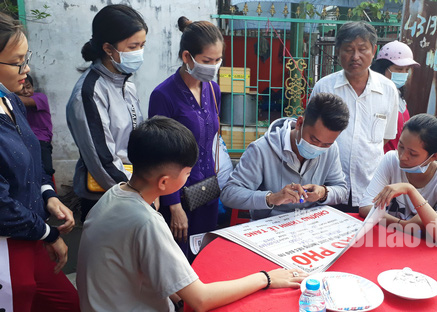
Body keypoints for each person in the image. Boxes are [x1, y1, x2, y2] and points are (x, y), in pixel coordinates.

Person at [76, 116, 307, 312]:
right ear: (164, 182)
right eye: (187, 172)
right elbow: (200, 299)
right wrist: (267, 278)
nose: (189, 177)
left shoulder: (115, 193)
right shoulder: (145, 222)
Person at [0, 12, 79, 311]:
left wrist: (47, 194)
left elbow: (30, 162)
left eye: (26, 57)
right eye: (17, 61)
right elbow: (3, 206)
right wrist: (50, 233)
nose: (27, 68)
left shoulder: (12, 101)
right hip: (8, 244)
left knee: (67, 303)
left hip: (30, 234)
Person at [148, 16, 223, 261]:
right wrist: (173, 204)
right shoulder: (163, 95)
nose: (213, 67)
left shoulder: (213, 89)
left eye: (218, 60)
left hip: (207, 192)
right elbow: (159, 154)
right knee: (178, 261)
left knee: (205, 257)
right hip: (177, 196)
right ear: (187, 57)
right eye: (207, 61)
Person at [66, 4, 146, 222]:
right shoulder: (89, 93)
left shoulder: (127, 85)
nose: (139, 52)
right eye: (133, 46)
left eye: (142, 45)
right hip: (107, 197)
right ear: (109, 49)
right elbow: (103, 161)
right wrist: (140, 192)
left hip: (134, 190)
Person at [310, 21, 400, 212]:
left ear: (373, 50)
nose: (355, 56)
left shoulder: (388, 90)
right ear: (338, 51)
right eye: (349, 49)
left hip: (370, 186)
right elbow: (311, 134)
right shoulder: (324, 88)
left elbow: (385, 137)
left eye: (362, 49)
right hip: (328, 186)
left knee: (367, 239)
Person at [221, 92, 349, 220]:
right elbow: (229, 194)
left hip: (312, 226)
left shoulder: (331, 150)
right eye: (314, 140)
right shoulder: (261, 150)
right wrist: (271, 198)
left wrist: (323, 193)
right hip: (269, 229)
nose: (318, 147)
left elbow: (342, 190)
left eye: (326, 144)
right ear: (299, 123)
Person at [359, 114, 437, 247]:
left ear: (433, 156)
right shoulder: (391, 160)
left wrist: (410, 190)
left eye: (412, 153)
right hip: (387, 243)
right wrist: (404, 225)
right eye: (400, 146)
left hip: (423, 252)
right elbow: (366, 207)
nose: (402, 157)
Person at [371, 40, 420, 153]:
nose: (403, 73)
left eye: (406, 70)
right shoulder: (375, 95)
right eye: (398, 69)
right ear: (383, 68)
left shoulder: (399, 95)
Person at [15, 74, 55, 178]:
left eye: (28, 87)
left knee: (46, 170)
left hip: (41, 140)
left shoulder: (40, 97)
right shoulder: (13, 102)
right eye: (22, 88)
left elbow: (26, 102)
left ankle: (48, 190)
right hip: (23, 141)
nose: (26, 91)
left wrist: (5, 96)